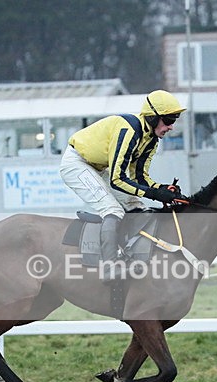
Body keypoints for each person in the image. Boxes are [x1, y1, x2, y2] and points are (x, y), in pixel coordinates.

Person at [59, 89, 187, 284]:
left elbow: (139, 177)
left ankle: (131, 254)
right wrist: (154, 194)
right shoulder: (129, 130)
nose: (171, 127)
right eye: (169, 120)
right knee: (113, 209)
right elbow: (117, 179)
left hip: (100, 167)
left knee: (139, 209)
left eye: (174, 120)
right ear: (153, 118)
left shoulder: (151, 140)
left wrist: (162, 189)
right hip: (77, 163)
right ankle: (110, 266)